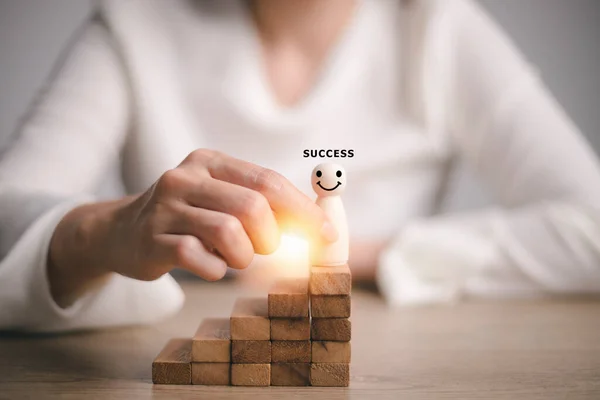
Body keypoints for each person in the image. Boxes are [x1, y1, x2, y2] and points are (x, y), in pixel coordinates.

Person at [1, 0, 600, 332]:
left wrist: (354, 256)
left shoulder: (438, 29)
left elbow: (591, 226)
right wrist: (104, 231)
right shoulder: (135, 26)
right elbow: (8, 205)